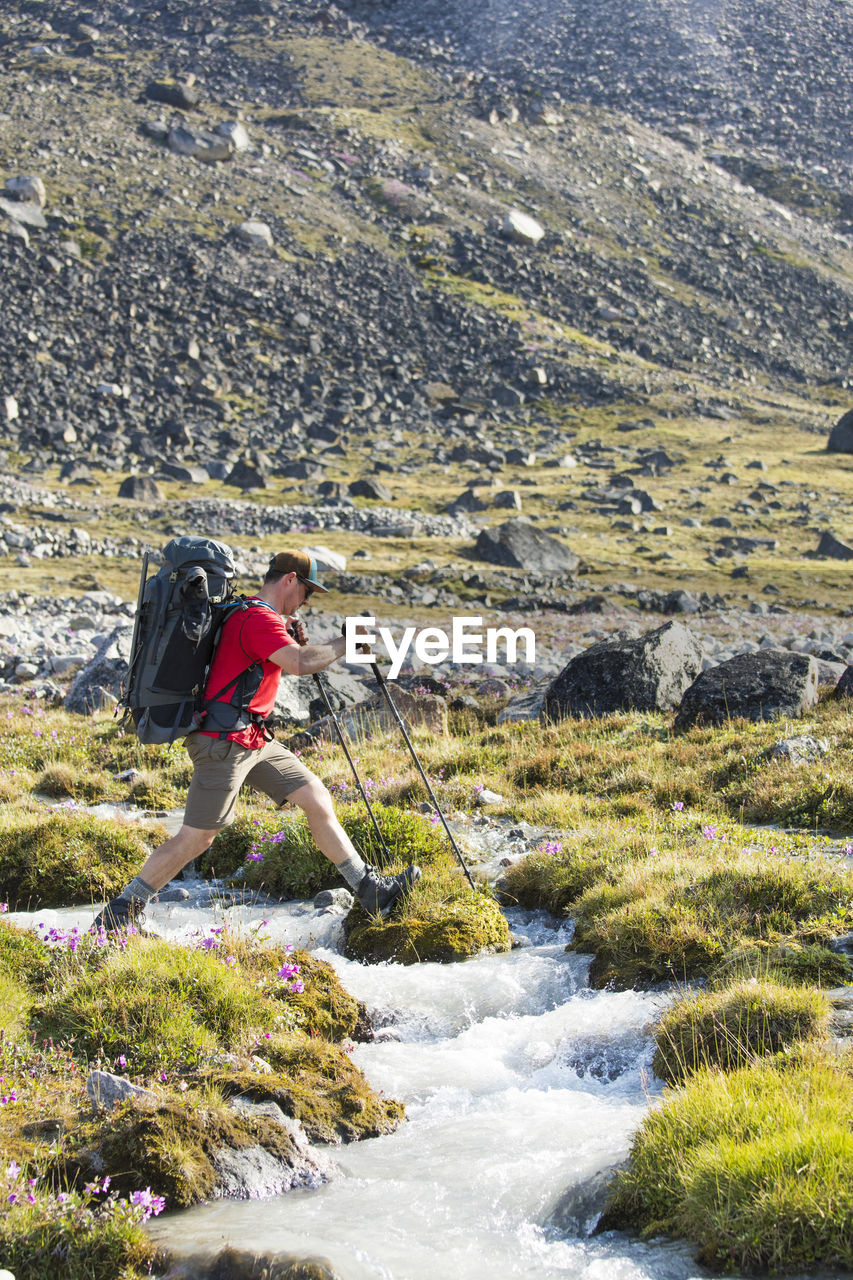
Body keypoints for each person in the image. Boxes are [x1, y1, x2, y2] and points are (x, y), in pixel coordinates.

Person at [92, 550, 421, 932]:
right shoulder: (257, 617)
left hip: (251, 738)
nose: (308, 601)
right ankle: (120, 912)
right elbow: (299, 663)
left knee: (315, 797)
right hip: (224, 742)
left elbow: (282, 660)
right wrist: (345, 642)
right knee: (197, 838)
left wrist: (294, 633)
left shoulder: (252, 614)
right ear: (290, 580)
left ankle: (370, 891)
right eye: (308, 591)